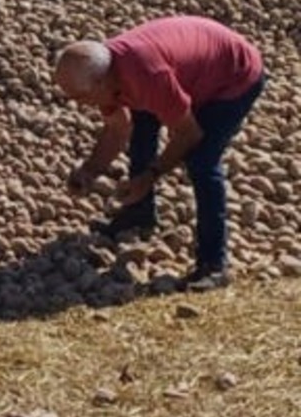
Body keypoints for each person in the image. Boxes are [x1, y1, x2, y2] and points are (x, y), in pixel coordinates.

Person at [53, 15, 267, 292]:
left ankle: (214, 263)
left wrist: (149, 177)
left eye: (80, 97)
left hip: (234, 77)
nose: (78, 104)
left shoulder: (148, 77)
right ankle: (140, 212)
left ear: (101, 83)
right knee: (143, 122)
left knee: (202, 160)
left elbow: (189, 134)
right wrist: (90, 170)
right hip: (189, 70)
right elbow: (118, 129)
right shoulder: (107, 72)